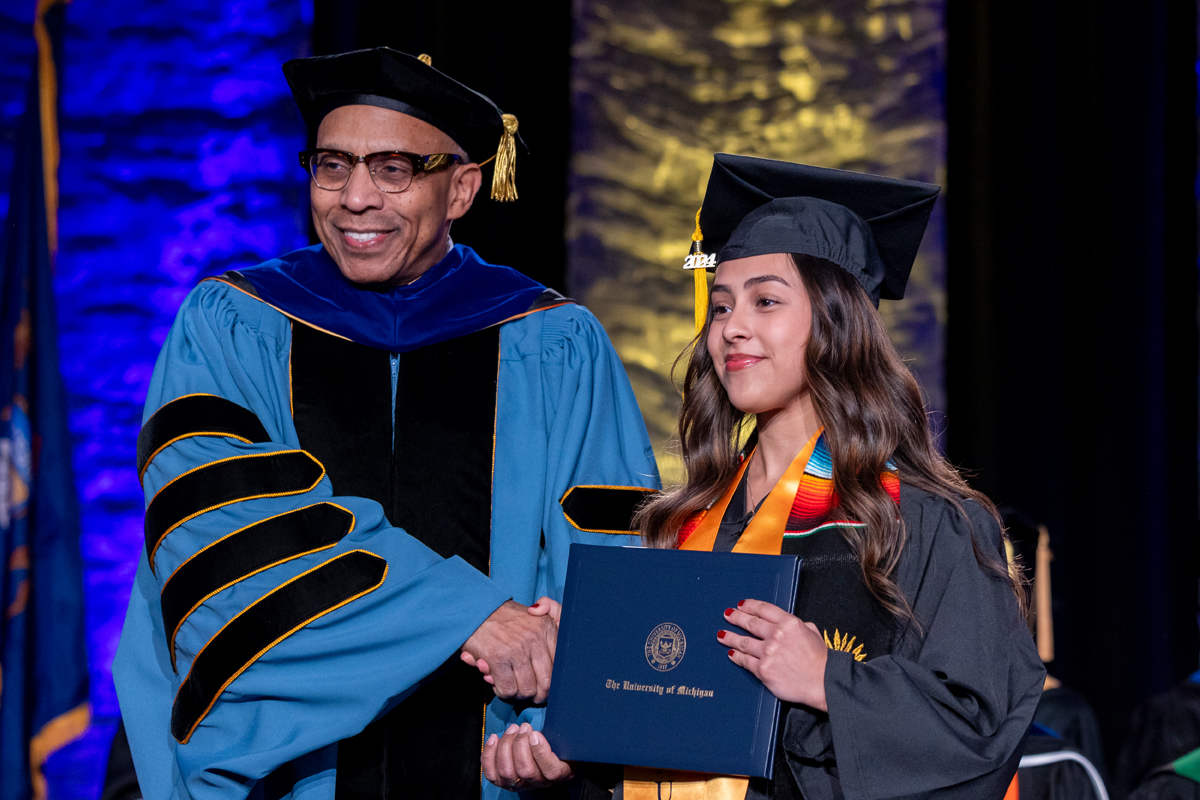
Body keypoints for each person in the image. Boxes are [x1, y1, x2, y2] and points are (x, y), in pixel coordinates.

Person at [112, 47, 659, 800]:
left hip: (497, 770)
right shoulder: (234, 324)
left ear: (463, 188)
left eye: (394, 169)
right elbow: (220, 526)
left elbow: (609, 548)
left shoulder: (553, 340)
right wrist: (472, 616)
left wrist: (574, 727)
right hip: (293, 777)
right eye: (331, 166)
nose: (355, 198)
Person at [480, 154, 1045, 799]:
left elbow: (982, 727)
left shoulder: (920, 519)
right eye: (720, 308)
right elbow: (668, 721)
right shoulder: (682, 521)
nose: (731, 329)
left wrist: (826, 680)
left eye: (765, 301)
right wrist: (575, 722)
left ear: (837, 323)